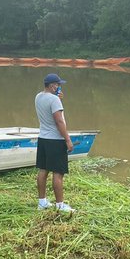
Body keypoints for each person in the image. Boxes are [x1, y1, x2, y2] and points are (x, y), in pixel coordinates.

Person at [35, 73, 74, 213]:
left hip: (43, 138)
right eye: (58, 85)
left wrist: (56, 98)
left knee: (43, 170)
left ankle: (42, 202)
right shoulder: (54, 100)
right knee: (58, 173)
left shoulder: (38, 97)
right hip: (56, 140)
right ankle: (60, 205)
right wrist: (68, 140)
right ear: (52, 86)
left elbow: (47, 109)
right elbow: (59, 121)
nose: (59, 87)